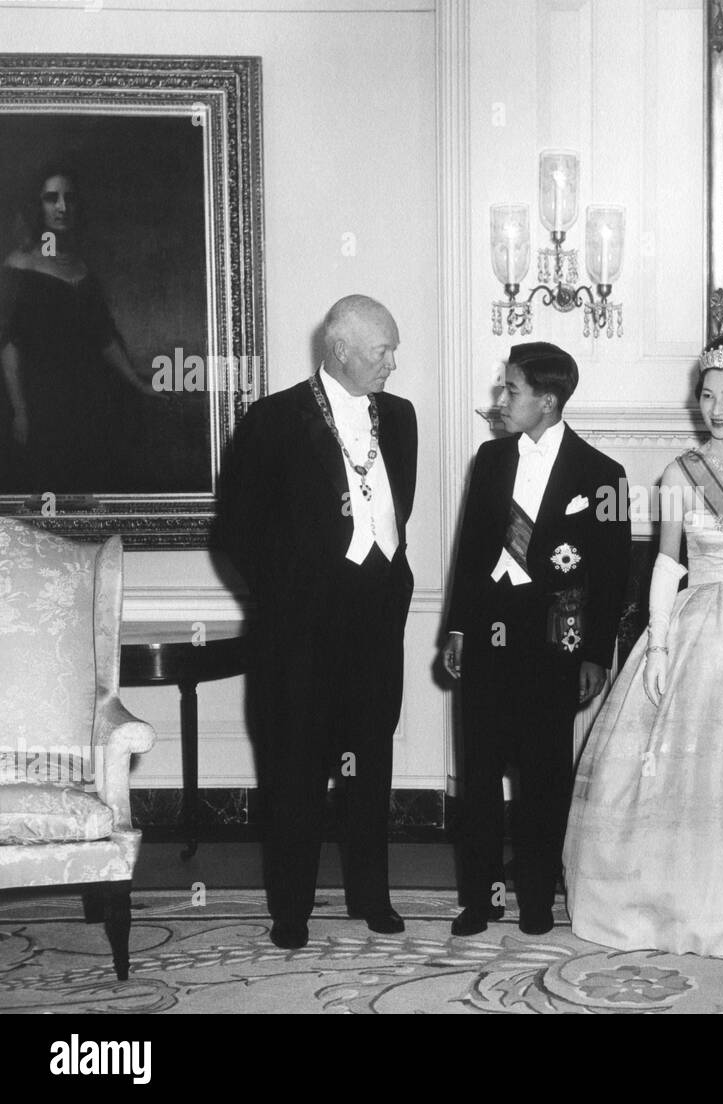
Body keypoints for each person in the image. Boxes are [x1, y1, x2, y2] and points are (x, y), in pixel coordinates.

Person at [563, 336, 723, 960]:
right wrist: (662, 643)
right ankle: (668, 905)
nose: (717, 408)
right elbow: (668, 562)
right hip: (694, 621)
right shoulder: (680, 471)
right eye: (708, 395)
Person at [215, 294, 416, 950]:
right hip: (297, 640)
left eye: (392, 349)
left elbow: (394, 514)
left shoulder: (403, 418)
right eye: (381, 350)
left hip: (376, 629)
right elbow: (236, 533)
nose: (393, 361)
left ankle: (371, 896)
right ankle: (292, 910)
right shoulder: (272, 419)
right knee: (294, 774)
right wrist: (287, 602)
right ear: (340, 350)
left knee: (369, 766)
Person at [441, 342, 630, 938]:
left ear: (547, 402)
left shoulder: (605, 475)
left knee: (544, 776)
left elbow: (614, 572)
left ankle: (536, 899)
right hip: (489, 634)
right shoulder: (490, 459)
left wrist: (598, 653)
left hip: (555, 640)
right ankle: (479, 896)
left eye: (512, 390)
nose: (502, 399)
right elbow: (471, 551)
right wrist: (458, 627)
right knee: (479, 771)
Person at [0, 164, 154, 492]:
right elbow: (8, 343)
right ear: (37, 205)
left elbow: (104, 338)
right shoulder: (19, 265)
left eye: (69, 198)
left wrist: (138, 384)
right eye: (51, 198)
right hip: (40, 401)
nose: (61, 207)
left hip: (87, 399)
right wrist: (19, 409)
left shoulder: (82, 268)